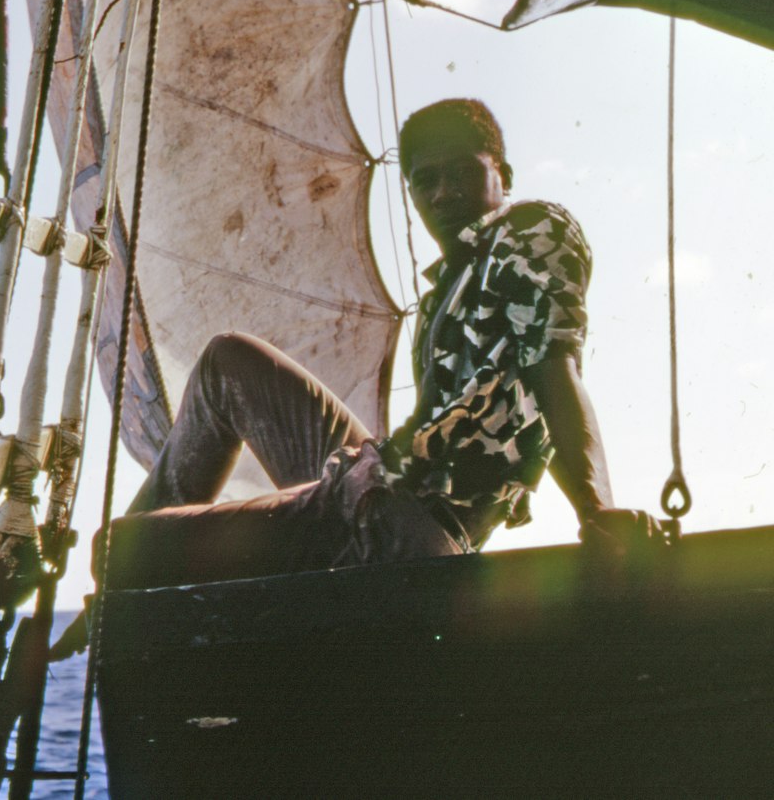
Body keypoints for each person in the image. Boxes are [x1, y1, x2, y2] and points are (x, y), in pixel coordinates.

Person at [51, 98, 658, 650]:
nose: (443, 194)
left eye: (464, 173)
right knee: (226, 361)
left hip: (399, 526)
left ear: (504, 173)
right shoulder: (454, 284)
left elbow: (553, 366)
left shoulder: (529, 232)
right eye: (426, 182)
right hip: (378, 494)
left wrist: (596, 511)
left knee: (119, 550)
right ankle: (135, 574)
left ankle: (128, 583)